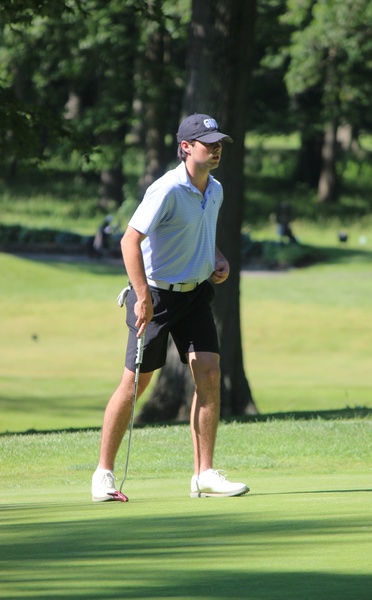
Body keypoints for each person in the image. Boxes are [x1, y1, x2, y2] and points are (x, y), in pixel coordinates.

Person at [91, 113, 250, 501]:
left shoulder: (215, 190)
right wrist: (142, 296)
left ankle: (204, 474)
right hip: (156, 297)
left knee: (209, 373)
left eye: (218, 143)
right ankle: (103, 474)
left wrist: (217, 258)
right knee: (136, 383)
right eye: (208, 143)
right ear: (186, 147)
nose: (216, 149)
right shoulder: (166, 189)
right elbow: (129, 241)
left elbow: (200, 234)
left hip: (195, 295)